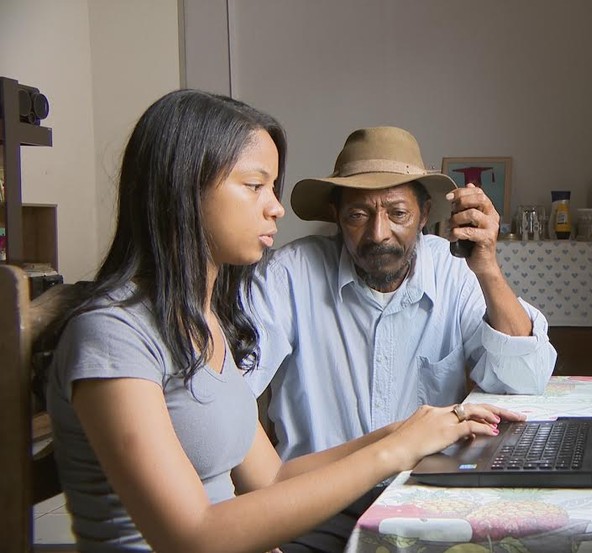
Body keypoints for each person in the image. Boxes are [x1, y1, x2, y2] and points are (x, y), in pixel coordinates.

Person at [45, 91, 522, 553]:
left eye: (272, 188)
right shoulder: (114, 333)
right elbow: (191, 538)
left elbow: (271, 478)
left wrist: (408, 431)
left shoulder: (203, 322)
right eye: (255, 186)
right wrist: (393, 452)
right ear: (183, 190)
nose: (275, 207)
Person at [245, 126, 557, 550]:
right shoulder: (286, 276)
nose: (378, 234)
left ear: (425, 214)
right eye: (358, 215)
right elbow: (230, 395)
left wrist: (486, 267)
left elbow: (527, 378)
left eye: (397, 213)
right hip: (314, 509)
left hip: (429, 506)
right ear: (336, 216)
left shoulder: (453, 273)